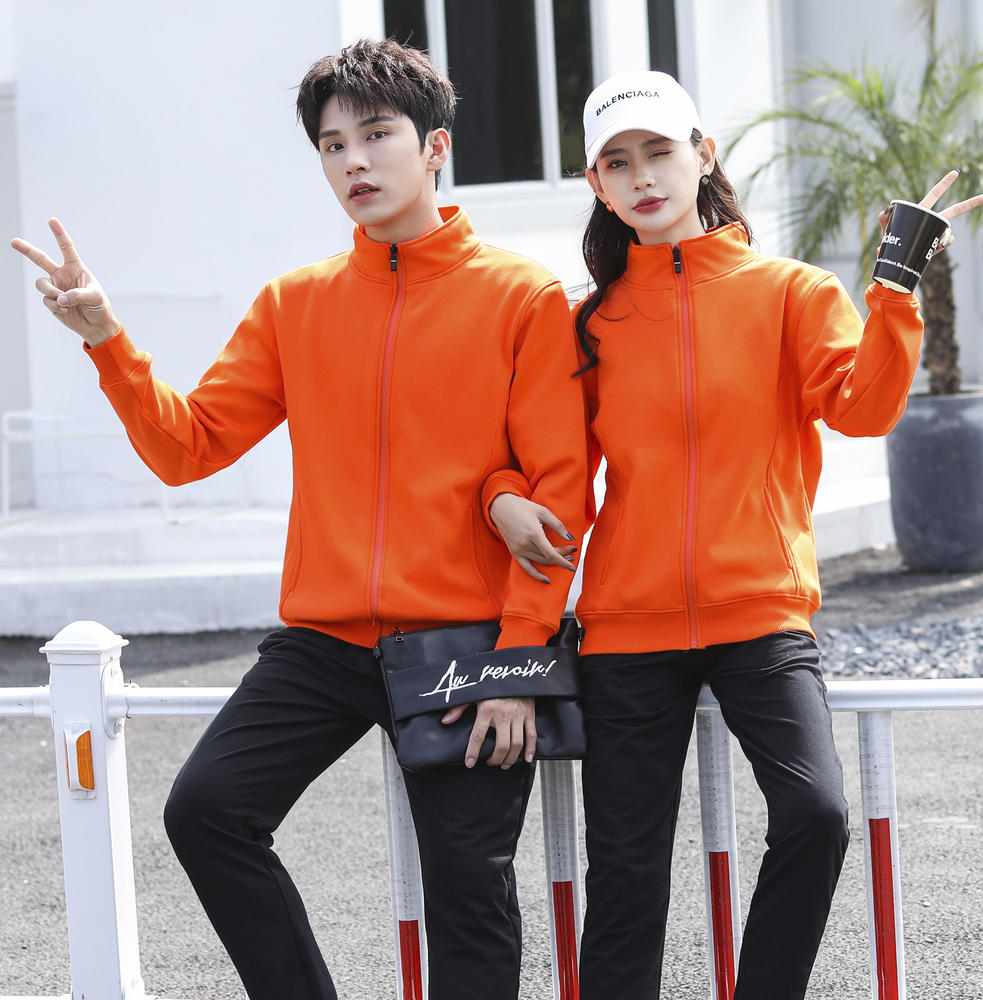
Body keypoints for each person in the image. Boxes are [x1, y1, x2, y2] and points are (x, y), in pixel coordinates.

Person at [11, 39, 587, 1000]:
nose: (353, 161)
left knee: (468, 893)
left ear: (435, 146)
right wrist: (108, 340)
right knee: (206, 810)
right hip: (324, 640)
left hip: (464, 641)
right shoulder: (295, 303)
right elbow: (188, 446)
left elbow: (558, 493)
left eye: (376, 135)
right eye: (332, 145)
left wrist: (517, 664)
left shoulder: (519, 295)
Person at [486, 70, 983, 999]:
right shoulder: (588, 323)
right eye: (617, 163)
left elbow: (865, 410)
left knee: (817, 815)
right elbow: (552, 478)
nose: (643, 176)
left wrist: (895, 285)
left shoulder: (790, 293)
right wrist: (506, 520)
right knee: (626, 877)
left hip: (760, 615)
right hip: (627, 632)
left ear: (703, 154)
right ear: (597, 185)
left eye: (659, 152)